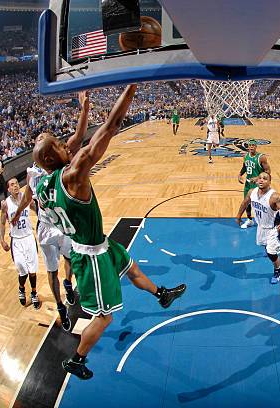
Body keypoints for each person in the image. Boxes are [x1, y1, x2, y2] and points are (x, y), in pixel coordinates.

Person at [33, 85, 186, 380]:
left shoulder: (43, 183)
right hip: (90, 256)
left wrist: (85, 108)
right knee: (104, 317)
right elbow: (110, 127)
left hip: (93, 243)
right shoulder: (74, 175)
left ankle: (161, 294)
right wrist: (131, 86)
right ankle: (76, 360)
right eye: (63, 146)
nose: (69, 145)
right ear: (58, 157)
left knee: (131, 267)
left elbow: (74, 144)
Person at [12, 91, 92, 332]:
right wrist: (16, 215)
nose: (42, 136)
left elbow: (79, 135)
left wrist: (85, 109)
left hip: (64, 225)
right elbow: (27, 196)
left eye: (44, 135)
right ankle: (59, 306)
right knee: (51, 270)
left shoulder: (60, 157)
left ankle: (68, 284)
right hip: (46, 229)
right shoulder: (33, 173)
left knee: (69, 262)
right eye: (40, 136)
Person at [236, 172, 280, 284]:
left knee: (271, 253)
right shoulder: (252, 192)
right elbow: (244, 203)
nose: (261, 180)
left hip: (274, 228)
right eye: (260, 178)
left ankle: (277, 271)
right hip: (261, 226)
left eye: (265, 178)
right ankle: (268, 248)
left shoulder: (274, 196)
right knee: (264, 245)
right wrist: (238, 216)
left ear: (269, 182)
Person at [0, 178, 41, 309]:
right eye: (12, 185)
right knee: (22, 270)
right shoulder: (5, 204)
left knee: (32, 271)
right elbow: (2, 223)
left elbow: (39, 211)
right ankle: (22, 288)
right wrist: (1, 239)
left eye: (16, 183)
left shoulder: (27, 198)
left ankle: (34, 293)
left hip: (29, 238)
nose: (15, 186)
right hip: (16, 241)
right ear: (8, 189)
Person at [237, 139, 271, 229]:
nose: (251, 147)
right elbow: (245, 167)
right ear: (247, 146)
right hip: (248, 184)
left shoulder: (261, 157)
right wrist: (240, 174)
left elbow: (268, 171)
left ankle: (266, 220)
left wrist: (258, 178)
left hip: (258, 185)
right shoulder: (245, 156)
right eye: (250, 145)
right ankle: (249, 220)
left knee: (260, 204)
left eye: (253, 145)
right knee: (247, 203)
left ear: (256, 147)